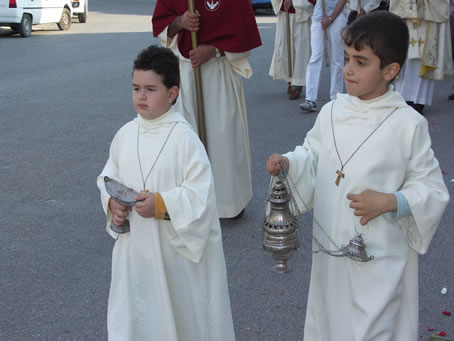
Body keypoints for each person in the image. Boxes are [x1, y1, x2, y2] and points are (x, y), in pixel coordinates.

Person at [267, 12, 449, 339]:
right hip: (332, 257)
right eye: (348, 58)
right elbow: (313, 154)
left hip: (379, 258)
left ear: (390, 70)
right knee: (332, 322)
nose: (347, 69)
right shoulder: (333, 111)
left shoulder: (408, 124)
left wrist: (393, 201)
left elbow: (432, 189)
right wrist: (289, 164)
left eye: (361, 62)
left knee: (373, 328)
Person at [97, 45, 235, 341]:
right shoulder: (125, 134)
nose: (141, 96)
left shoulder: (184, 139)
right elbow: (108, 178)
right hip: (134, 255)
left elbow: (201, 196)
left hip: (172, 258)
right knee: (134, 318)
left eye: (150, 89)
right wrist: (113, 203)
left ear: (172, 93)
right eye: (136, 88)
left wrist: (162, 204)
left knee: (172, 320)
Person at [152, 0, 261, 219]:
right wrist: (180, 22)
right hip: (185, 73)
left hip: (218, 73)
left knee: (223, 137)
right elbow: (161, 24)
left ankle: (227, 203)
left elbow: (244, 32)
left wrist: (214, 49)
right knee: (185, 138)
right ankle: (188, 202)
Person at [390, 0, 454, 113]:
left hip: (428, 17)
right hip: (406, 19)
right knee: (404, 58)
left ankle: (419, 100)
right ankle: (401, 98)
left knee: (424, 60)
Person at [299, 0, 348, 112]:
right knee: (315, 57)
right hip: (319, 16)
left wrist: (331, 18)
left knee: (337, 59)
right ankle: (310, 99)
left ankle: (335, 99)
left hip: (337, 15)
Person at [268, 0, 314, 100]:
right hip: (285, 13)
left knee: (301, 50)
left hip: (301, 15)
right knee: (284, 47)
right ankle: (290, 79)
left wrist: (293, 1)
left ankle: (298, 84)